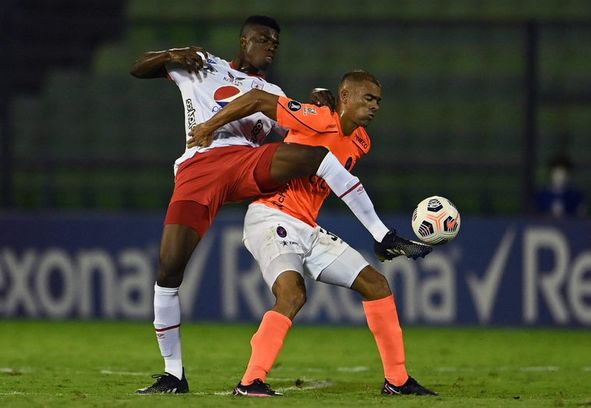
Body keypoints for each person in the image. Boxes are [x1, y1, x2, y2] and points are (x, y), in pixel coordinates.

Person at [131, 16, 431, 394]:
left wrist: (322, 103)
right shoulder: (203, 64)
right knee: (169, 268)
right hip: (200, 166)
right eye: (263, 39)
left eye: (275, 42)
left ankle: (397, 375)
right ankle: (173, 374)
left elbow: (298, 128)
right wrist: (172, 54)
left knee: (312, 157)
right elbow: (138, 68)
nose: (270, 46)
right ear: (243, 41)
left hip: (244, 163)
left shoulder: (272, 88)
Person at [188, 71, 436, 397]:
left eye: (378, 101)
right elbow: (258, 100)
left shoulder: (362, 142)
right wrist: (210, 126)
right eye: (368, 98)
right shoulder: (317, 117)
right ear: (345, 97)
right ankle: (250, 382)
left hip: (308, 227)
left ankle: (398, 381)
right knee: (292, 294)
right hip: (271, 216)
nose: (375, 106)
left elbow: (342, 184)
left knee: (376, 285)